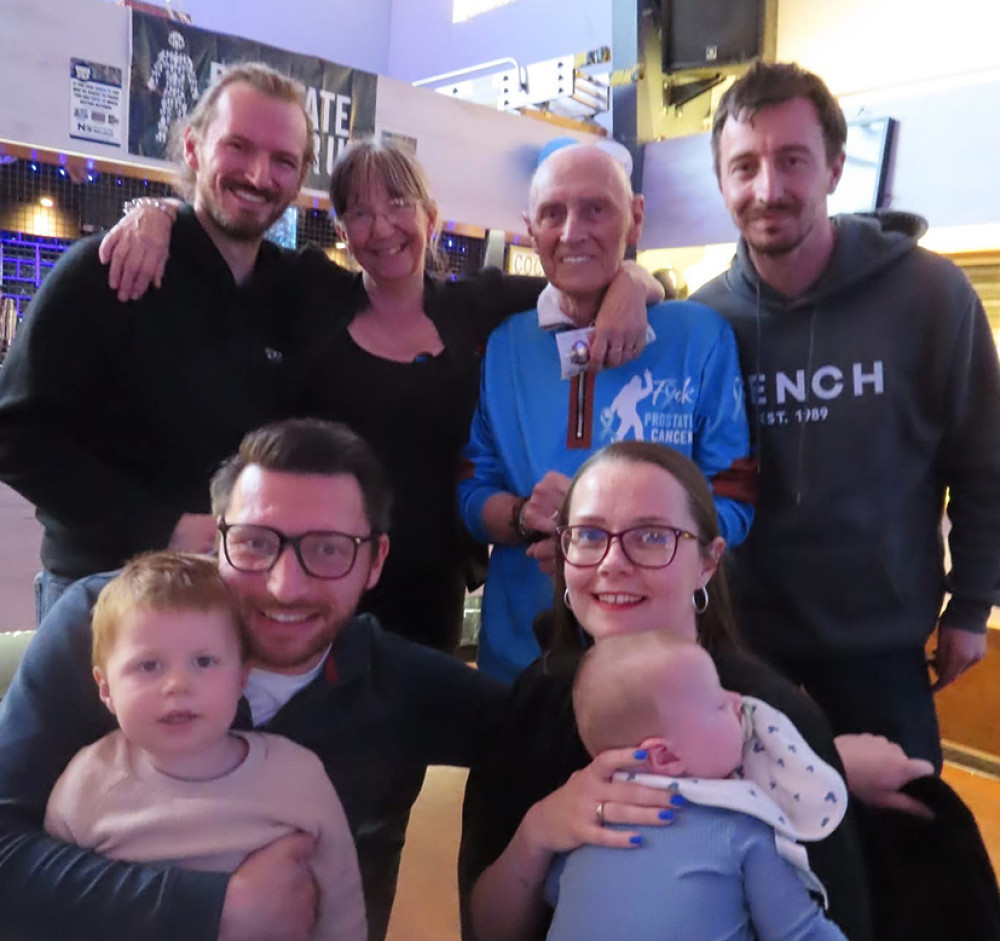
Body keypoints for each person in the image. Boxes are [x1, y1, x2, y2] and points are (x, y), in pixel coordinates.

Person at [93, 137, 661, 652]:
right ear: (342, 231)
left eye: (398, 205)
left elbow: (579, 275)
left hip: (429, 585)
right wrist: (155, 212)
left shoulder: (474, 308)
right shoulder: (313, 295)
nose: (382, 228)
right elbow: (226, 241)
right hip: (313, 573)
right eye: (359, 213)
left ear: (430, 217)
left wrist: (634, 281)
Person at [0, 418, 507, 941]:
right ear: (216, 538)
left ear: (376, 561)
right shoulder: (107, 629)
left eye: (330, 549)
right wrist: (217, 914)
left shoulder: (395, 682)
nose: (285, 586)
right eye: (255, 543)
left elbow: (541, 731)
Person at [460, 441, 889, 941]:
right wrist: (539, 831)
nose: (612, 563)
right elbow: (491, 939)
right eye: (589, 535)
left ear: (708, 561)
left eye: (651, 536)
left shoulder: (767, 719)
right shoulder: (537, 697)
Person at [691, 60, 1000, 769]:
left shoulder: (930, 294)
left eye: (792, 160)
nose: (768, 189)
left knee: (907, 833)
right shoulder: (705, 320)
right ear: (722, 181)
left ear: (834, 168)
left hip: (882, 649)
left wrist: (969, 605)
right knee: (757, 833)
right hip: (744, 652)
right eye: (744, 166)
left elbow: (984, 467)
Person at [0, 62, 334, 621]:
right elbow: (14, 433)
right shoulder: (108, 269)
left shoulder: (297, 287)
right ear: (193, 147)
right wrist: (164, 527)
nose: (259, 175)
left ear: (300, 178)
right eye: (238, 147)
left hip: (237, 594)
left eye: (283, 160)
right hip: (104, 592)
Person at [458, 143, 755, 682]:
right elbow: (471, 491)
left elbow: (734, 497)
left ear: (635, 217)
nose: (572, 232)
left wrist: (611, 546)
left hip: (660, 663)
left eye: (596, 209)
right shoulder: (504, 345)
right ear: (530, 228)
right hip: (522, 662)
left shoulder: (699, 336)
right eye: (553, 213)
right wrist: (525, 518)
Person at [1, 550, 368, 941]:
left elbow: (340, 914)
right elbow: (34, 924)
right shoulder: (85, 781)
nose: (177, 684)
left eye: (204, 661)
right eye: (149, 666)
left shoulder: (297, 776)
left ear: (242, 677)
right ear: (105, 688)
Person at [541, 631, 884, 941]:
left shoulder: (587, 824)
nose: (738, 701)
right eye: (719, 703)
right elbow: (801, 940)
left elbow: (562, 898)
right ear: (665, 757)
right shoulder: (738, 822)